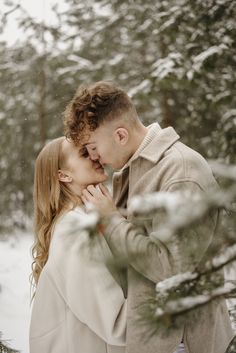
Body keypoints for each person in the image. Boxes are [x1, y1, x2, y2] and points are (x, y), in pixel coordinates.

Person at [64, 81, 234, 353]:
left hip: (183, 343)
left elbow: (171, 268)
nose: (94, 157)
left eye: (93, 147)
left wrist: (110, 220)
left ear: (120, 135)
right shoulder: (133, 169)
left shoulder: (180, 171)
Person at [29, 136, 127, 353]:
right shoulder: (75, 230)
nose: (95, 155)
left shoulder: (87, 219)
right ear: (63, 176)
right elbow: (117, 323)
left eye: (92, 149)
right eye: (84, 153)